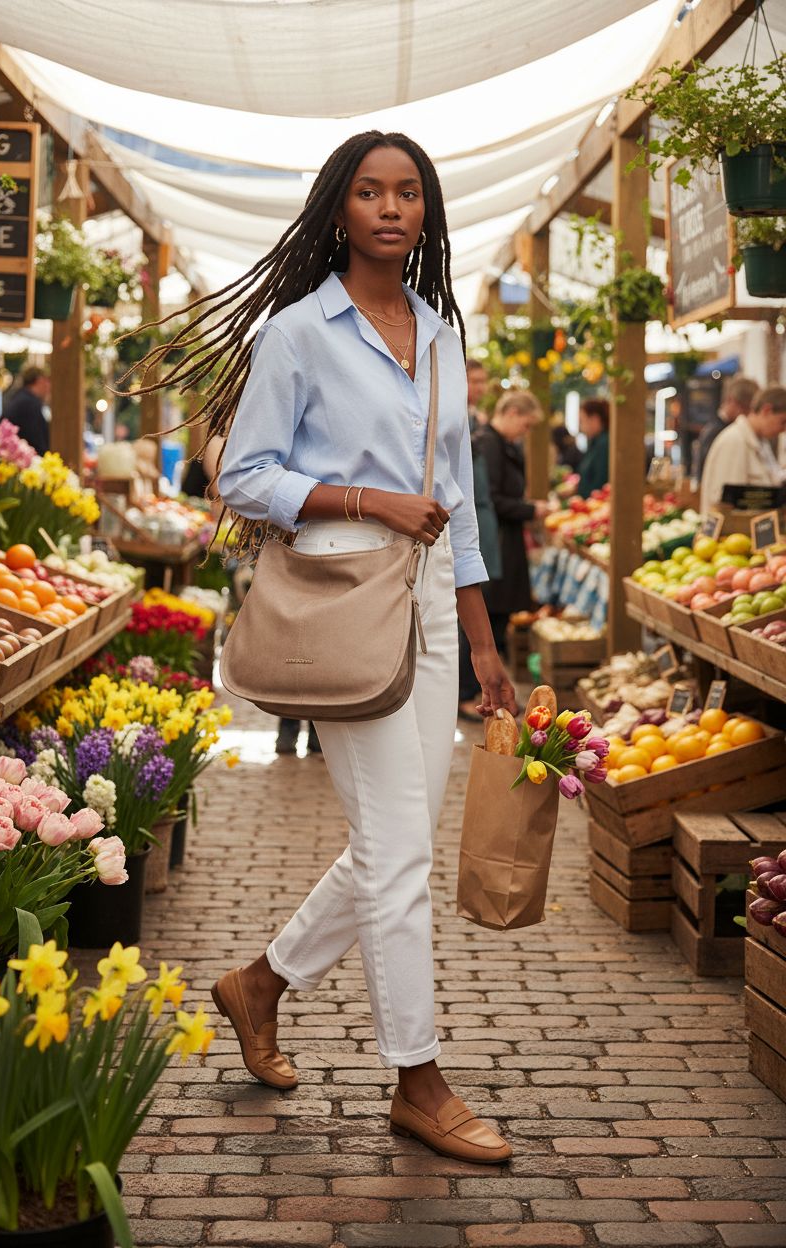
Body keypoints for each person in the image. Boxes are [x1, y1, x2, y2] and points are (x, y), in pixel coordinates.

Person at [132, 131, 517, 1163]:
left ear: (426, 213)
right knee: (397, 858)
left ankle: (257, 985)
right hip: (342, 603)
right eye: (368, 192)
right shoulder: (298, 334)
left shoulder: (441, 336)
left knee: (394, 846)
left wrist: (485, 646)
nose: (390, 208)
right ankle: (418, 1079)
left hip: (434, 606)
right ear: (338, 210)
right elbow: (243, 477)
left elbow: (463, 510)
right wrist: (364, 499)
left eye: (407, 193)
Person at [475, 390, 551, 653]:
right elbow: (492, 497)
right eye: (526, 424)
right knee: (492, 615)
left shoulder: (500, 443)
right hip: (495, 543)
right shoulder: (489, 444)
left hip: (504, 539)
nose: (525, 432)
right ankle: (474, 687)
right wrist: (529, 509)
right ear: (512, 413)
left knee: (499, 614)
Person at [458, 359, 501, 721]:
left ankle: (468, 690)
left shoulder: (476, 423)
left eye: (485, 381)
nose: (482, 387)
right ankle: (463, 693)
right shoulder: (458, 419)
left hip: (476, 524)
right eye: (476, 380)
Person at [699, 386, 786, 512]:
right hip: (736, 531)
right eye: (783, 421)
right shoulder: (734, 441)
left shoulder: (762, 442)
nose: (783, 430)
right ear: (766, 410)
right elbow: (726, 504)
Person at [695, 375, 759, 483]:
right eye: (744, 408)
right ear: (730, 400)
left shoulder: (720, 427)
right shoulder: (718, 431)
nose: (747, 416)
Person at [4, 366, 50, 455]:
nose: (48, 387)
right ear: (39, 381)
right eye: (47, 381)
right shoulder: (29, 403)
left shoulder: (21, 397)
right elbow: (37, 441)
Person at [575, 398, 610, 498]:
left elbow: (600, 482)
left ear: (595, 419)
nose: (581, 427)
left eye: (582, 421)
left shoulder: (604, 443)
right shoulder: (595, 442)